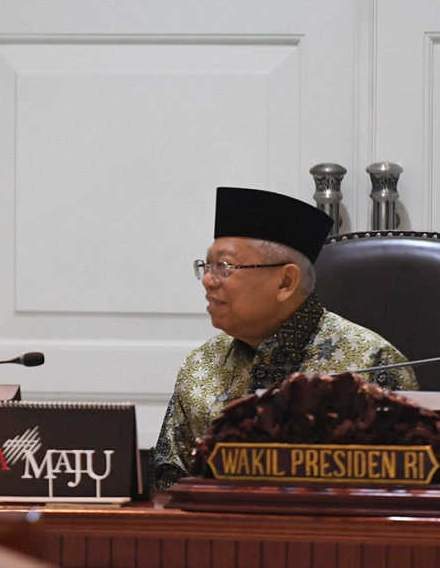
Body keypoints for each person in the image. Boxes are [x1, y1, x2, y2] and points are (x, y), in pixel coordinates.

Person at [153, 187, 417, 489]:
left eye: (224, 267)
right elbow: (167, 485)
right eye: (207, 265)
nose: (209, 280)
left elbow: (403, 490)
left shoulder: (370, 361)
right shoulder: (200, 365)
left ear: (286, 281)